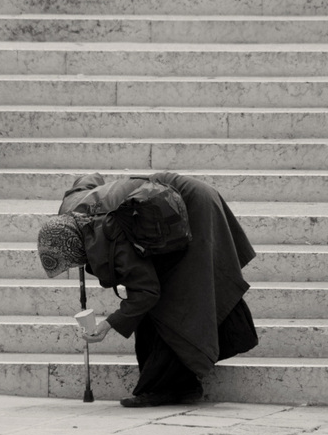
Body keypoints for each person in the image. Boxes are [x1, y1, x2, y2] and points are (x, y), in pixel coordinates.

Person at [37, 172, 259, 407]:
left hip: (189, 209)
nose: (77, 265)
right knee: (176, 292)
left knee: (175, 301)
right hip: (178, 198)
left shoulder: (108, 232)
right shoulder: (72, 209)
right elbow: (90, 178)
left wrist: (108, 324)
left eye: (74, 262)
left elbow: (146, 292)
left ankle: (168, 388)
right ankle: (174, 384)